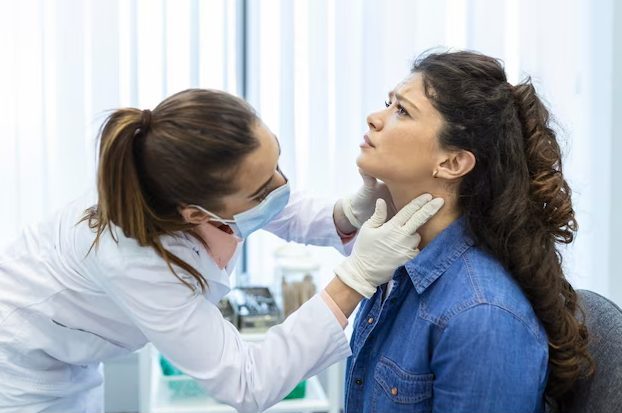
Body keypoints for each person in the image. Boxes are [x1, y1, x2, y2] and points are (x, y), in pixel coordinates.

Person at [0, 89, 444, 413]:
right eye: (263, 187)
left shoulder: (198, 171)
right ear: (195, 213)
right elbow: (246, 383)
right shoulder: (133, 259)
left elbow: (274, 208)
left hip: (73, 353)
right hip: (24, 369)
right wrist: (355, 280)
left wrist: (346, 214)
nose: (282, 187)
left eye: (277, 164)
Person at [344, 51, 593, 413]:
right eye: (388, 103)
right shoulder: (396, 265)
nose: (375, 118)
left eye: (402, 110)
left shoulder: (482, 317)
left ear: (452, 162)